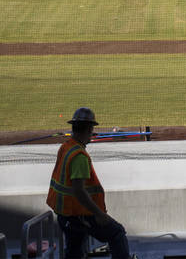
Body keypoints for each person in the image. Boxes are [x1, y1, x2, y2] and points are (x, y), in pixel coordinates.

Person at [46, 107, 134, 259]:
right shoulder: (79, 156)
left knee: (75, 251)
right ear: (87, 129)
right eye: (92, 129)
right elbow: (79, 191)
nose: (92, 134)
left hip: (64, 215)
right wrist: (99, 214)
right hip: (79, 214)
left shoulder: (66, 147)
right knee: (117, 233)